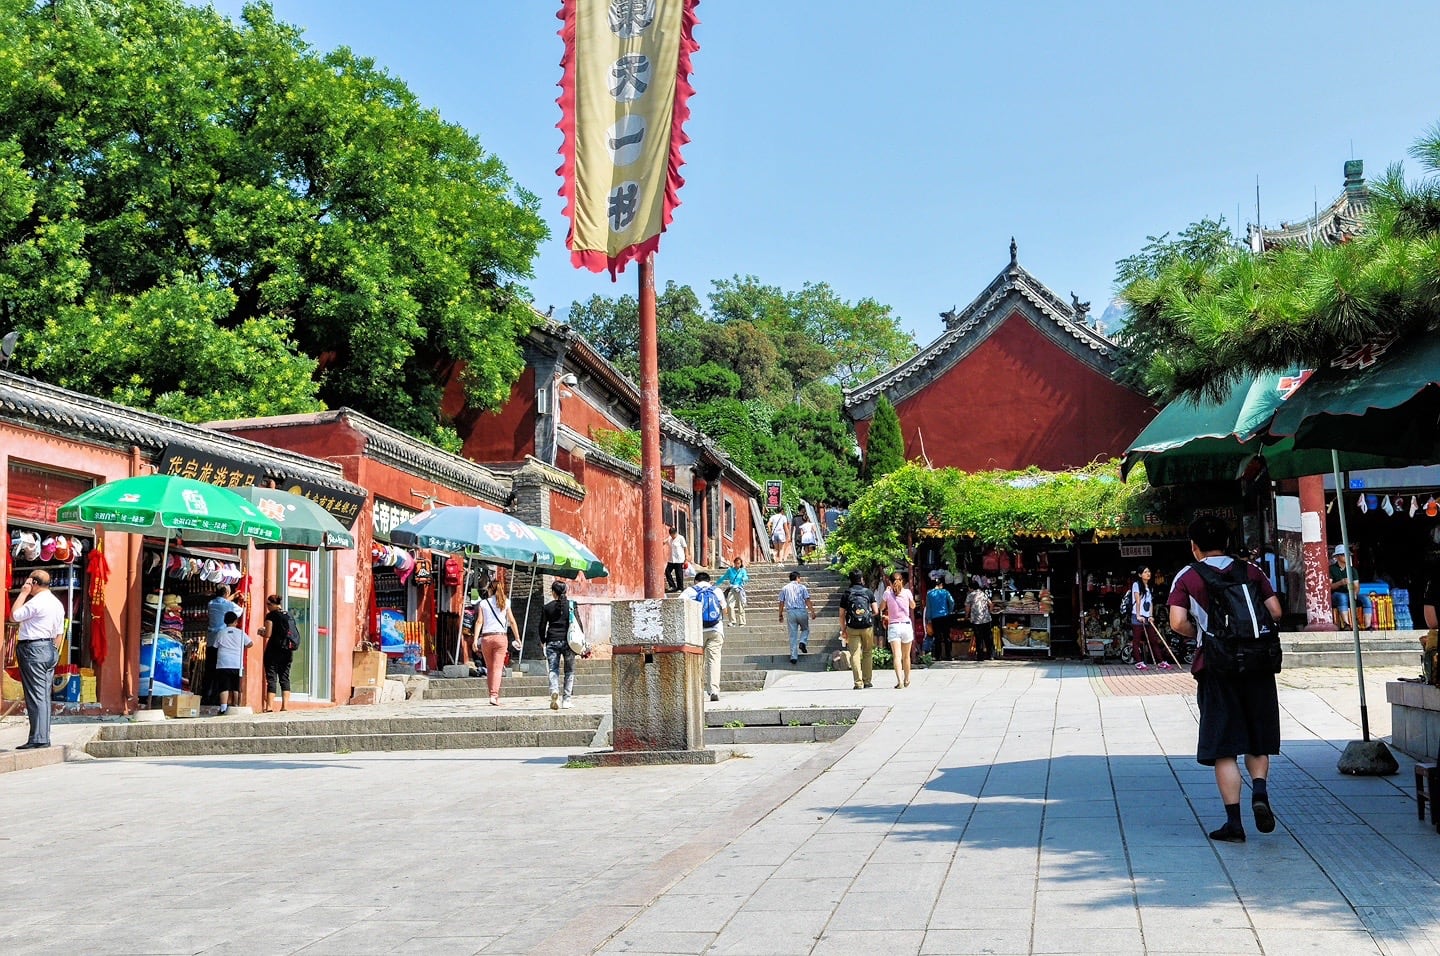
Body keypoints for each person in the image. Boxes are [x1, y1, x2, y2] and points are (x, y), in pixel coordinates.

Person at [1168, 515, 1284, 844]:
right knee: (1257, 737)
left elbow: (1177, 622)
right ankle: (1259, 791)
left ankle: (1234, 823)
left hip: (1217, 665)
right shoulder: (1251, 571)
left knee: (1225, 747)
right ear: (1229, 543)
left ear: (1194, 547)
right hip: (1258, 663)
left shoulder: (1188, 576)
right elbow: (1274, 611)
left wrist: (1202, 634)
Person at [7, 569, 65, 750]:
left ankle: (38, 738)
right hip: (49, 648)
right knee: (43, 695)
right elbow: (59, 632)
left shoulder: (37, 602)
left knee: (36, 695)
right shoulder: (57, 604)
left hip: (34, 649)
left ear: (34, 583)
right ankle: (42, 736)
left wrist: (23, 593)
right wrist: (53, 651)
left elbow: (14, 616)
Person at [473, 581, 520, 706]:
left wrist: (475, 639)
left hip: (486, 638)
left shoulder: (483, 603)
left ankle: (492, 694)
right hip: (500, 637)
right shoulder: (506, 602)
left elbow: (479, 622)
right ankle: (494, 696)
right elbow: (512, 621)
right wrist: (517, 638)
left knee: (490, 668)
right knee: (498, 668)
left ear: (490, 590)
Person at [682, 571, 726, 701]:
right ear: (709, 581)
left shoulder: (690, 591)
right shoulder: (717, 591)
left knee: (697, 661)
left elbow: (679, 605)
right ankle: (714, 690)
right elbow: (725, 609)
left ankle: (696, 691)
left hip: (697, 631)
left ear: (696, 581)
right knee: (714, 659)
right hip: (716, 629)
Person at [539, 580, 578, 709]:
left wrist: (543, 640)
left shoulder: (547, 607)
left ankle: (554, 691)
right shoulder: (572, 605)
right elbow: (579, 624)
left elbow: (542, 626)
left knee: (553, 670)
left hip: (552, 641)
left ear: (553, 592)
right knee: (570, 671)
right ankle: (566, 700)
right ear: (565, 591)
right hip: (569, 642)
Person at [840, 570, 878, 689]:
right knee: (867, 653)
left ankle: (858, 682)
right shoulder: (868, 592)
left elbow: (841, 614)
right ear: (861, 579)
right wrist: (866, 616)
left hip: (852, 627)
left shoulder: (846, 594)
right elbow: (876, 611)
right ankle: (867, 681)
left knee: (855, 654)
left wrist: (843, 629)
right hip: (867, 627)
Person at [258, 594, 294, 712]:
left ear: (273, 604)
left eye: (268, 604)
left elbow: (268, 634)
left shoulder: (271, 616)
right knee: (285, 677)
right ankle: (285, 706)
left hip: (274, 650)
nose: (267, 607)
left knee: (271, 677)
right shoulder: (287, 615)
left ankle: (269, 707)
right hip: (287, 650)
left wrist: (261, 632)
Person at [211, 610, 252, 715]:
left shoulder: (220, 633)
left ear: (225, 621)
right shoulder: (241, 632)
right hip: (236, 663)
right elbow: (250, 643)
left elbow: (215, 646)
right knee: (236, 686)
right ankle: (236, 706)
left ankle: (223, 708)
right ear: (236, 621)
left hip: (223, 663)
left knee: (224, 686)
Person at [880, 571, 916, 687]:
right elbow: (913, 606)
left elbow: (881, 607)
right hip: (906, 625)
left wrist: (886, 593)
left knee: (897, 656)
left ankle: (899, 681)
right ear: (902, 581)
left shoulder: (887, 594)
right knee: (906, 656)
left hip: (894, 626)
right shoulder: (907, 592)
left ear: (890, 582)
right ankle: (907, 679)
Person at [1131, 566, 1168, 670]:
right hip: (1137, 616)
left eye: (1149, 571)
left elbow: (1150, 602)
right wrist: (1138, 615)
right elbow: (1138, 601)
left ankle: (1160, 661)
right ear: (1140, 575)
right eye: (1145, 572)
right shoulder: (1136, 584)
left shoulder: (1149, 586)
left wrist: (1151, 615)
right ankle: (1139, 662)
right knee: (1137, 641)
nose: (1148, 573)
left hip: (1147, 617)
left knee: (1153, 640)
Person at [777, 570, 814, 665]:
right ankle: (802, 641)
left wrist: (780, 614)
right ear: (797, 578)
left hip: (790, 612)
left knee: (792, 635)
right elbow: (807, 600)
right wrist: (812, 611)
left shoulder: (785, 588)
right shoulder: (802, 587)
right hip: (801, 611)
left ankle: (793, 656)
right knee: (805, 629)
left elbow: (781, 602)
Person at [1330, 545, 1366, 630]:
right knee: (1342, 597)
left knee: (1366, 599)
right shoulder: (1331, 569)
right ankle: (1346, 624)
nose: (1347, 557)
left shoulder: (1352, 570)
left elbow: (1357, 586)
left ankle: (1368, 625)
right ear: (1337, 557)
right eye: (1343, 554)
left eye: (1348, 555)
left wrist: (1355, 593)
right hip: (1336, 595)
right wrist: (1340, 583)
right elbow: (1329, 587)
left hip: (1349, 593)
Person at [923, 577, 955, 661]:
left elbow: (928, 607)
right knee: (947, 637)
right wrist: (949, 611)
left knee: (937, 637)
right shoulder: (945, 592)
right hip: (945, 616)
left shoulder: (929, 594)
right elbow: (952, 602)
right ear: (941, 585)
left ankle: (938, 656)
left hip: (935, 618)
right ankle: (949, 655)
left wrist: (928, 618)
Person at [965, 582, 995, 662]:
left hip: (976, 620)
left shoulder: (970, 595)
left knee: (979, 638)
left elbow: (967, 608)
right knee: (988, 637)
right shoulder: (983, 594)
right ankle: (991, 655)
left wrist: (966, 616)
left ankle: (980, 657)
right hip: (986, 619)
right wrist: (989, 612)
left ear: (971, 588)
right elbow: (991, 604)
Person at [716, 555, 749, 626]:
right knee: (730, 605)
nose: (737, 565)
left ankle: (742, 622)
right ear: (734, 563)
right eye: (736, 563)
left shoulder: (742, 570)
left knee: (741, 606)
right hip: (732, 589)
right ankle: (732, 621)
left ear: (741, 564)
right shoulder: (730, 570)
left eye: (739, 563)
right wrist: (716, 584)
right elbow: (723, 577)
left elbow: (746, 577)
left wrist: (744, 579)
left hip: (739, 589)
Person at [665, 527, 688, 593]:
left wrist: (686, 559)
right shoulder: (669, 538)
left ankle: (680, 588)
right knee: (667, 572)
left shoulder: (681, 538)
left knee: (679, 574)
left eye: (673, 535)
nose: (672, 536)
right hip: (671, 559)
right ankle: (672, 586)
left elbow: (685, 548)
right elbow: (664, 542)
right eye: (671, 535)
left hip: (679, 559)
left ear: (675, 533)